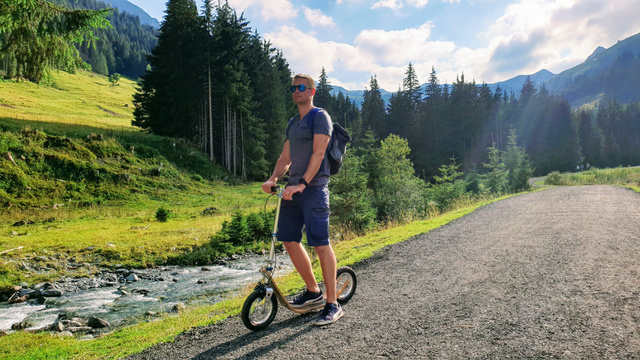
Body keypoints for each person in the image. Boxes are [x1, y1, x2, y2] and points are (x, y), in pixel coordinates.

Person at [261, 74, 343, 326]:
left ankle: (332, 303)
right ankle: (313, 292)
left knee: (320, 243)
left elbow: (319, 153)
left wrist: (303, 184)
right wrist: (274, 178)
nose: (295, 91)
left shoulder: (320, 117)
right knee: (288, 239)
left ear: (311, 91)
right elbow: (285, 158)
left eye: (300, 87)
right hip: (291, 191)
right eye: (292, 88)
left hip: (314, 189)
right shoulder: (293, 123)